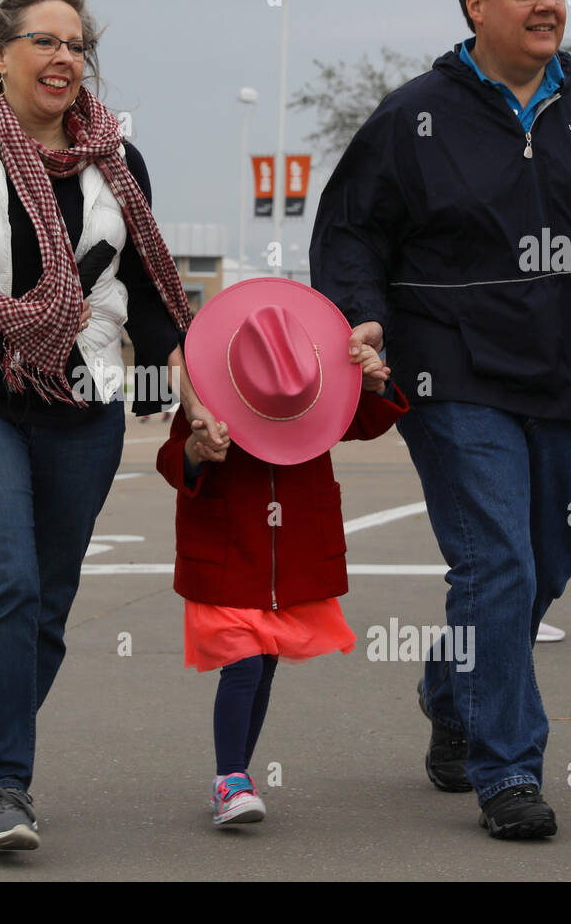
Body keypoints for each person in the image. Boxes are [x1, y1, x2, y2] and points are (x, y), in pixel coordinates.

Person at [310, 0, 571, 839]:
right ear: (475, 3)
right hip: (451, 373)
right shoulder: (414, 117)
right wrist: (358, 313)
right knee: (497, 560)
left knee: (544, 567)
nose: (548, 4)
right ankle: (511, 771)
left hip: (569, 374)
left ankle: (454, 695)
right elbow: (353, 230)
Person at [0, 0, 224, 851]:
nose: (64, 57)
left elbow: (153, 301)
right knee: (5, 576)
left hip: (85, 407)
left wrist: (186, 388)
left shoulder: (120, 163)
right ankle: (6, 785)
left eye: (76, 44)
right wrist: (11, 318)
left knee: (45, 605)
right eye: (44, 41)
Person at [156, 279, 408, 825]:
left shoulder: (314, 388)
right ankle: (230, 778)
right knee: (243, 663)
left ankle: (237, 772)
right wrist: (197, 452)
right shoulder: (209, 390)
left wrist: (371, 382)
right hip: (227, 554)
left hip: (288, 560)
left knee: (265, 665)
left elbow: (370, 418)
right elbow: (173, 456)